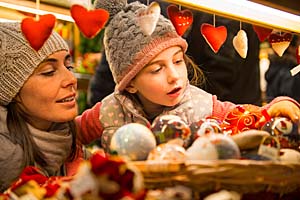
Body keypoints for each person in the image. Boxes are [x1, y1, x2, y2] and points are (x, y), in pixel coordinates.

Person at [76, 0, 300, 153]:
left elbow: (246, 117)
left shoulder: (202, 105)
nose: (175, 77)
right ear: (130, 83)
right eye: (156, 69)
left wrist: (276, 106)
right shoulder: (109, 111)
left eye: (178, 61)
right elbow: (68, 136)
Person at [88, 0, 262, 106]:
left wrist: (179, 109)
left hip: (226, 117)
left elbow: (220, 72)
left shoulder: (224, 10)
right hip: (171, 115)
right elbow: (119, 56)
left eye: (178, 62)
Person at [0, 22, 88, 191]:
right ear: (10, 89)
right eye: (49, 72)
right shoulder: (6, 161)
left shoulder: (71, 143)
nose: (72, 79)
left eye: (69, 67)